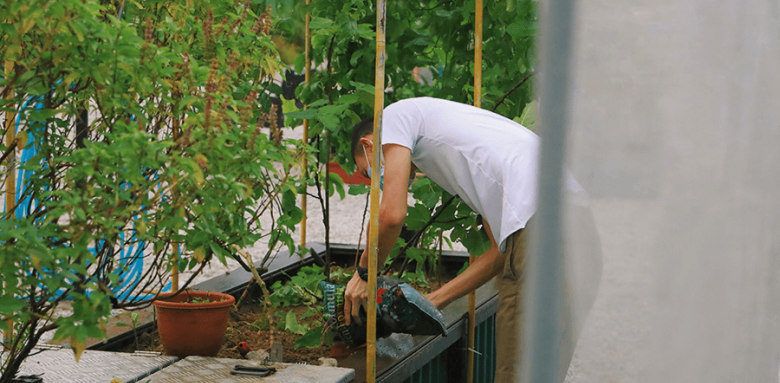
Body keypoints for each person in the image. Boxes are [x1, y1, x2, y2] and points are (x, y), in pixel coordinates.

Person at [343, 97, 601, 383]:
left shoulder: (394, 117)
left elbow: (392, 215)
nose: (374, 179)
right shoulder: (477, 147)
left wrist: (364, 273)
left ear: (369, 145)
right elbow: (499, 255)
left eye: (368, 172)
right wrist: (434, 300)